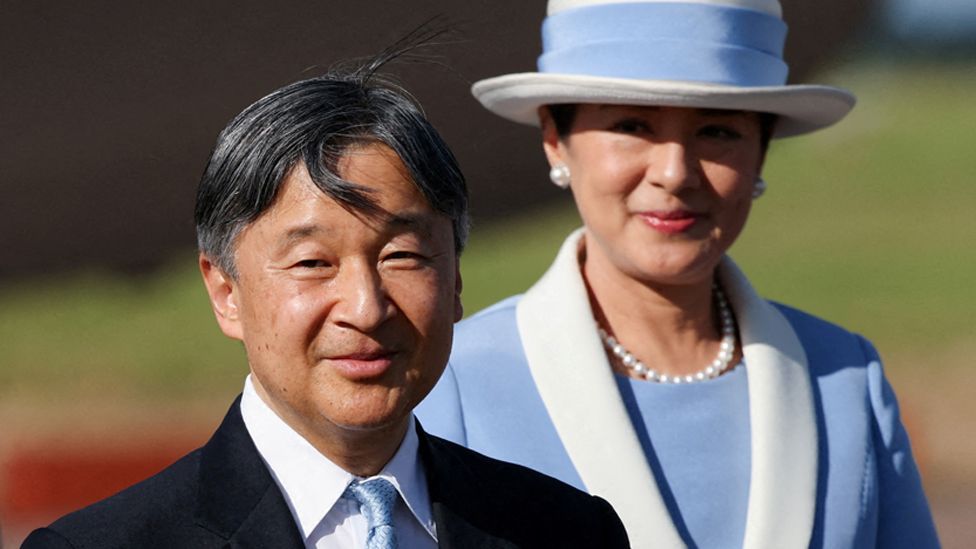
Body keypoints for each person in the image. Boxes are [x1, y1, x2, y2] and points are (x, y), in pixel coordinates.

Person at [21, 51, 630, 548]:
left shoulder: (568, 531)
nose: (366, 308)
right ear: (225, 291)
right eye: (313, 263)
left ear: (457, 282)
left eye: (403, 256)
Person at [416, 0, 940, 547]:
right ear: (555, 138)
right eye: (632, 125)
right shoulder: (451, 381)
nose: (675, 173)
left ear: (760, 153)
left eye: (717, 131)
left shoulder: (845, 378)